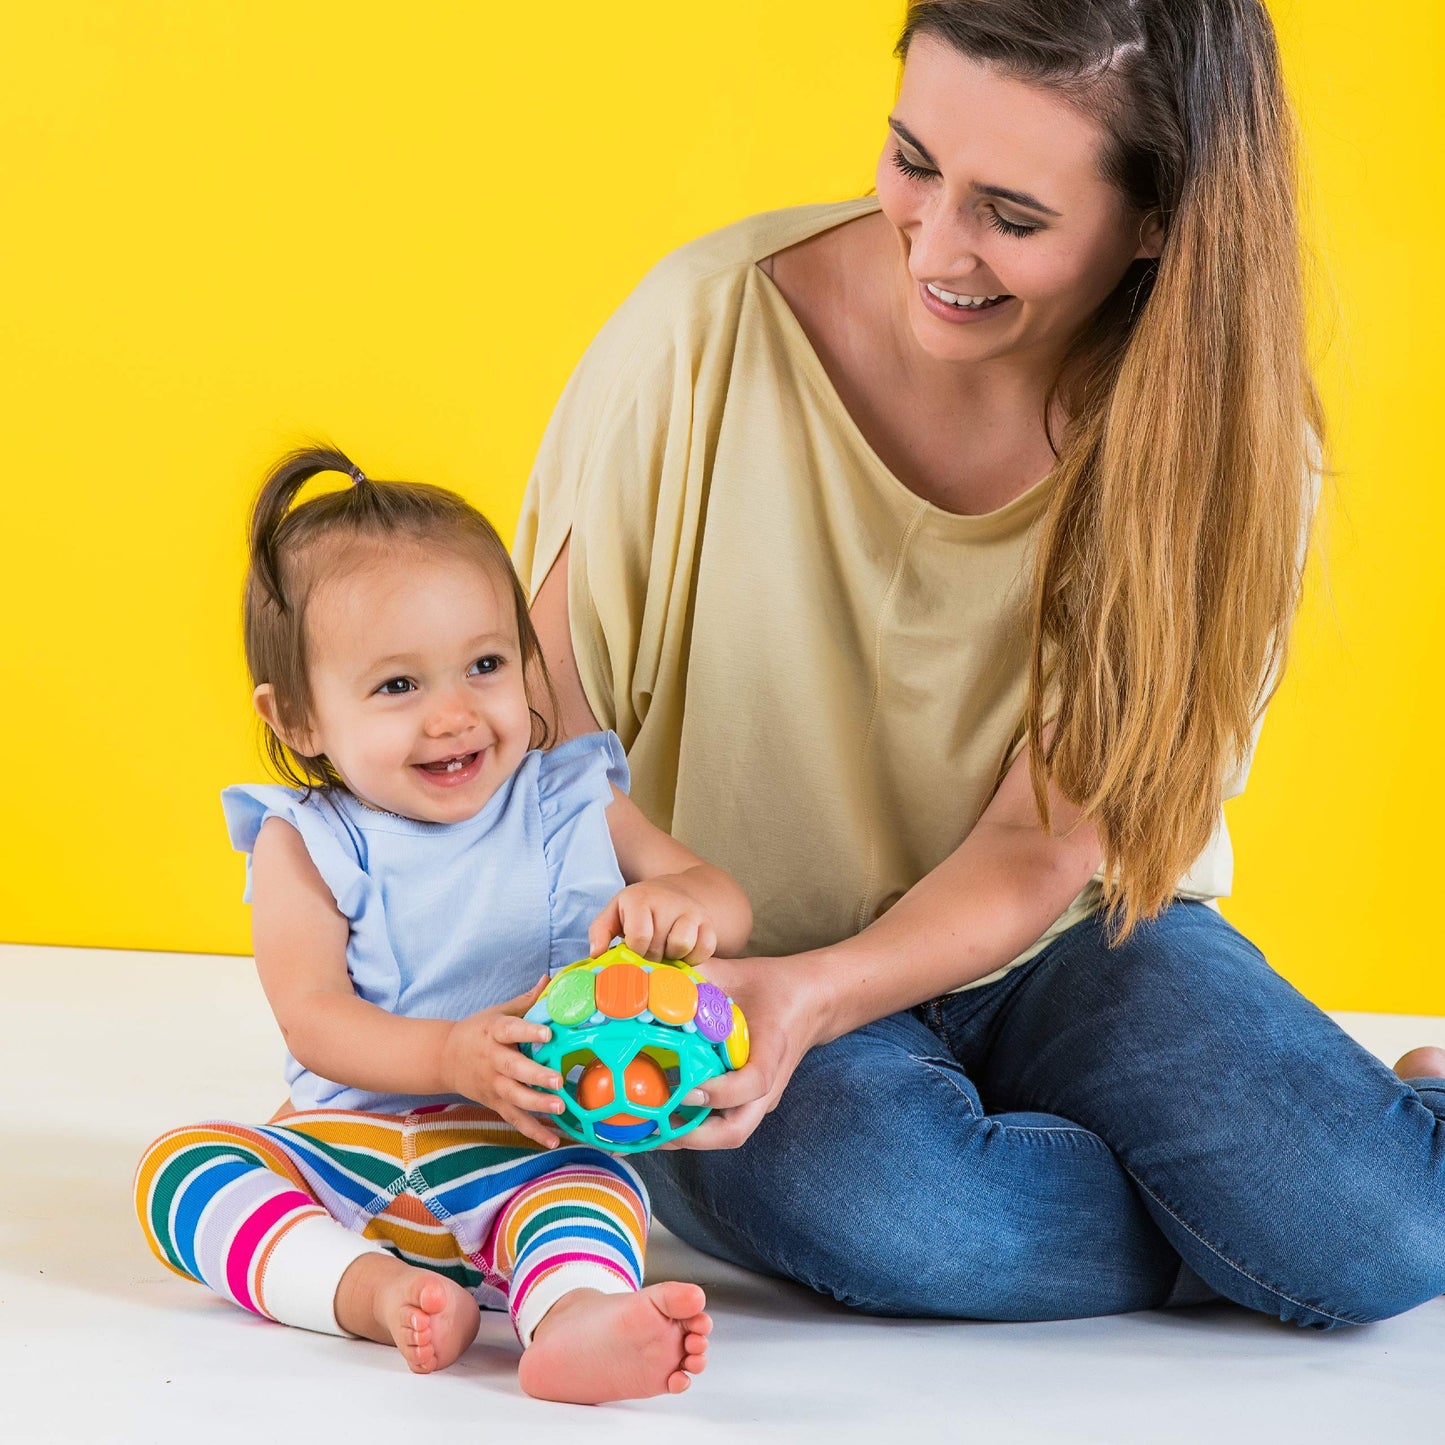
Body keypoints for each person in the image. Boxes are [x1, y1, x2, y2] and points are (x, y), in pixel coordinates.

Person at [515, 0, 1445, 1327]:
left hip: (1070, 944)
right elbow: (538, 729)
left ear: (1158, 220)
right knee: (903, 1211)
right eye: (911, 161)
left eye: (1011, 217)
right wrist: (692, 939)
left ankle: (1354, 1153)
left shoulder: (1217, 442)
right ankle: (1228, 1214)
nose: (934, 245)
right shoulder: (701, 333)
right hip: (746, 967)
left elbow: (1041, 845)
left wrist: (830, 991)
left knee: (1383, 1239)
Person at [134, 447, 752, 1402]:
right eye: (397, 686)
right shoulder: (305, 840)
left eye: (485, 664)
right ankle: (371, 1290)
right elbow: (313, 1018)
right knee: (183, 1173)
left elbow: (721, 898)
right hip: (343, 1151)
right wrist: (449, 1056)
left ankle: (572, 1316)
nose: (456, 714)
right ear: (296, 716)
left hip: (527, 1156)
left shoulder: (568, 796)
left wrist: (680, 906)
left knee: (598, 1199)